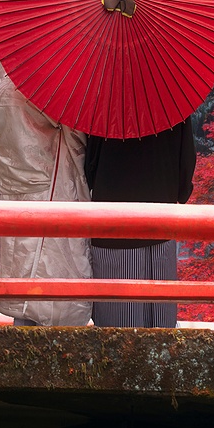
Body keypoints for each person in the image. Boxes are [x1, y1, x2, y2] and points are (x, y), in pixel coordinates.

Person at [0, 61, 92, 327]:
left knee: (19, 274)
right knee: (55, 280)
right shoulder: (56, 76)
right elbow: (77, 140)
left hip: (11, 182)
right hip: (51, 185)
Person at [82, 119, 196, 328]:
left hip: (113, 225)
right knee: (161, 323)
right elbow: (186, 163)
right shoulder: (171, 101)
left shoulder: (103, 106)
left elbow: (89, 167)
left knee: (118, 330)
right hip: (162, 221)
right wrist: (178, 191)